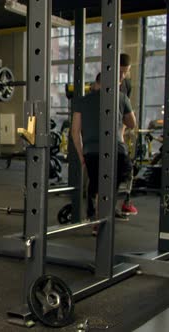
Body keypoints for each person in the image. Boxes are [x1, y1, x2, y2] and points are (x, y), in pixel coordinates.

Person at [71, 73, 136, 235]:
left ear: (96, 83)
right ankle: (105, 216)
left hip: (91, 152)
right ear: (115, 84)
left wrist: (81, 156)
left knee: (99, 187)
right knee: (113, 185)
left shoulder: (82, 101)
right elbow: (132, 124)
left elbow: (74, 131)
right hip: (115, 151)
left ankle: (97, 220)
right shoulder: (121, 98)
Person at [119, 53, 138, 216]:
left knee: (126, 170)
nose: (122, 76)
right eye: (120, 72)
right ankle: (95, 214)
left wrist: (121, 136)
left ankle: (125, 202)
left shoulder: (127, 84)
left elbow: (126, 115)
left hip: (117, 134)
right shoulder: (101, 82)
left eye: (125, 72)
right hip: (99, 134)